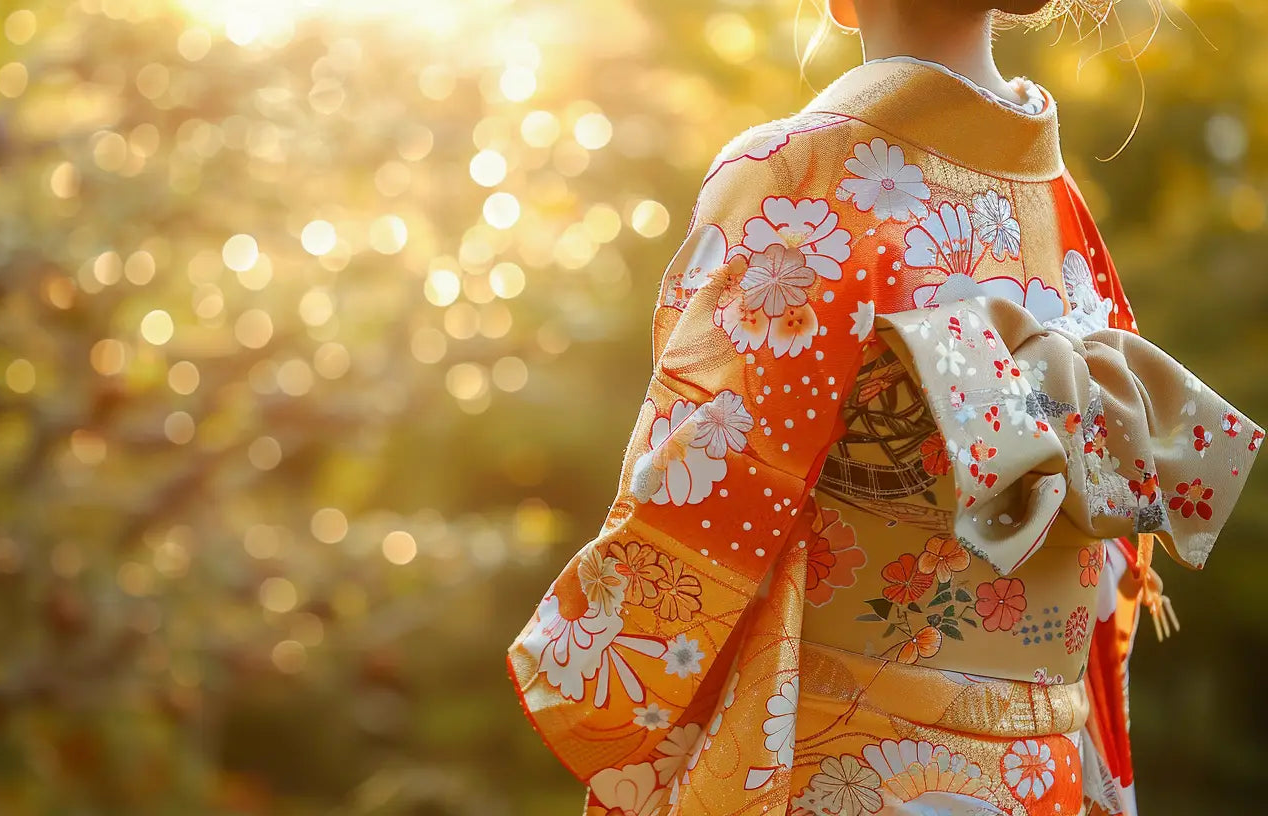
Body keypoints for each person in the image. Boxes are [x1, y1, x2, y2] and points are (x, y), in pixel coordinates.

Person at [505, 1, 1261, 815]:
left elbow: (703, 491)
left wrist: (582, 658)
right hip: (1042, 776)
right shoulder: (1056, 198)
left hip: (853, 768)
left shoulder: (798, 175)